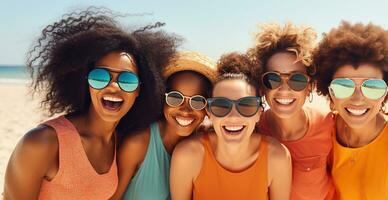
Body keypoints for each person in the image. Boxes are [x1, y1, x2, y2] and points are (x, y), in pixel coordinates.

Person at [3, 7, 179, 199]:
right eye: (100, 76)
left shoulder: (121, 142)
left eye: (127, 80)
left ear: (139, 90)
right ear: (86, 81)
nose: (113, 86)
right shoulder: (42, 143)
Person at [313, 21, 388, 200]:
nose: (357, 98)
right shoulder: (324, 130)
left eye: (372, 86)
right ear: (330, 91)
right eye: (343, 86)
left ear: (386, 92)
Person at [170, 52, 292, 200]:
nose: (233, 117)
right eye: (221, 105)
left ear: (259, 112)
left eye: (246, 105)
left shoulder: (277, 158)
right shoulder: (187, 156)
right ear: (209, 112)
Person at [111, 51, 217, 200]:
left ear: (207, 107)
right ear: (162, 99)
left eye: (197, 101)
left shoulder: (203, 145)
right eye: (175, 98)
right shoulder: (137, 144)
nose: (185, 110)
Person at [249, 23, 335, 200]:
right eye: (273, 79)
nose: (284, 89)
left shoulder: (330, 125)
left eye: (297, 79)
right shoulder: (249, 130)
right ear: (262, 87)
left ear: (310, 87)